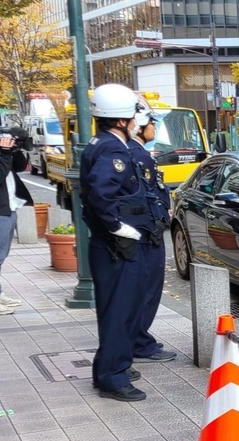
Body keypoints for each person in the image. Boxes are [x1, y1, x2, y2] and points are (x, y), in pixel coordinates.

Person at [79, 84, 162, 402]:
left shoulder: (102, 143)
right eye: (132, 118)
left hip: (115, 246)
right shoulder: (113, 150)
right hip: (118, 247)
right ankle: (112, 376)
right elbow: (102, 193)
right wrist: (117, 227)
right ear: (120, 121)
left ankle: (114, 367)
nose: (136, 124)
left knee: (119, 309)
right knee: (120, 311)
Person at [128, 103, 176, 365]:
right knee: (147, 289)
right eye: (152, 124)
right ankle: (139, 341)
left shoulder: (135, 152)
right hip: (148, 233)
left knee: (143, 288)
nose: (155, 129)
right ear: (139, 125)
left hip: (144, 230)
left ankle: (138, 339)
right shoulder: (139, 155)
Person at [0, 127, 31, 316]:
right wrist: (5, 153)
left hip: (8, 208)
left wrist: (13, 150)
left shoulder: (0, 153)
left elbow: (21, 167)